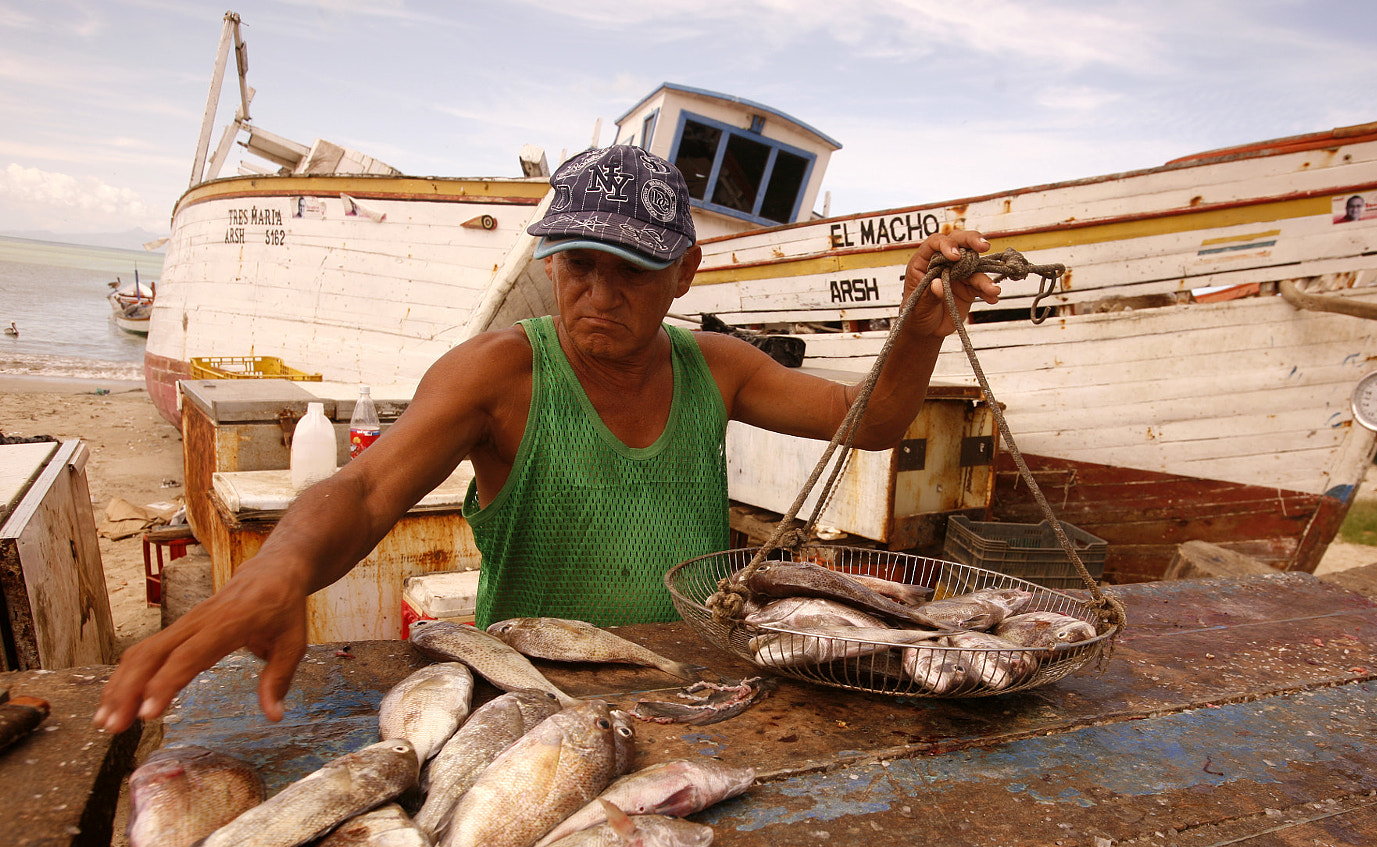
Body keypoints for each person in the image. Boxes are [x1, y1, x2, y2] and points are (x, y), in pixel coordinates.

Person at [94, 145, 1002, 734]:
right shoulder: (497, 374)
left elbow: (872, 423)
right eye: (578, 264)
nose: (598, 292)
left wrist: (921, 325)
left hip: (686, 696)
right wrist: (279, 571)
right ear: (550, 261)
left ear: (684, 272)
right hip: (523, 703)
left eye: (632, 270)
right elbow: (369, 491)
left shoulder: (717, 369)